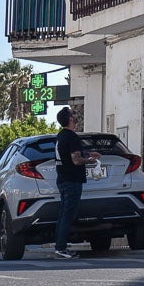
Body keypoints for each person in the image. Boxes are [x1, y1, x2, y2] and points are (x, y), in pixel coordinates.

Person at [53, 107, 100, 260]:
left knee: (63, 215)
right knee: (68, 215)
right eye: (73, 114)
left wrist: (86, 154)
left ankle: (59, 246)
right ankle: (61, 247)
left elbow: (69, 154)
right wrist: (90, 160)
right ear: (70, 119)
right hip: (72, 180)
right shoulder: (72, 137)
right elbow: (75, 160)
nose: (75, 115)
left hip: (62, 180)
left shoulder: (61, 136)